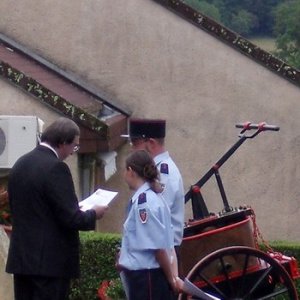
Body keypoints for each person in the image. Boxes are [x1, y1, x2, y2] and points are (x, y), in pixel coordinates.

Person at [6, 117, 108, 300]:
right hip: (49, 265)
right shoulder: (56, 168)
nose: (72, 153)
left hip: (22, 261)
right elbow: (71, 218)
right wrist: (94, 214)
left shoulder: (20, 164)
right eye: (74, 146)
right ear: (62, 142)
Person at [126, 118, 185, 274]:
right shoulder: (156, 170)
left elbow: (155, 222)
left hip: (162, 257)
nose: (131, 149)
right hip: (155, 254)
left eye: (135, 143)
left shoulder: (163, 173)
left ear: (151, 143)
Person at [118, 150, 178, 299]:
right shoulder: (156, 198)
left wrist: (171, 279)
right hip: (149, 276)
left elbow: (158, 249)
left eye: (125, 171)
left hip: (147, 277)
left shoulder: (144, 204)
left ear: (130, 171)